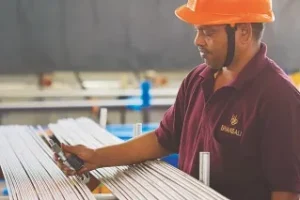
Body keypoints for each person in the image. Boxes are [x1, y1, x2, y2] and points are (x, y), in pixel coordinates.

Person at [56, 0, 300, 199]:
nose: (198, 41)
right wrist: (97, 157)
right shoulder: (198, 79)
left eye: (208, 32)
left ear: (244, 32)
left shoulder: (278, 97)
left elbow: (286, 192)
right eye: (198, 31)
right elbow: (163, 139)